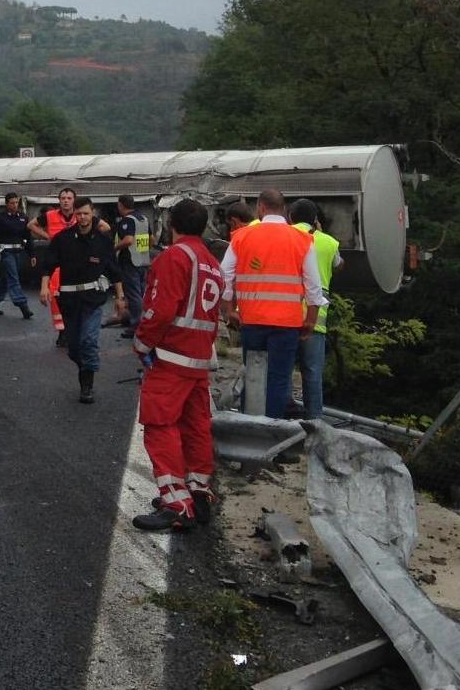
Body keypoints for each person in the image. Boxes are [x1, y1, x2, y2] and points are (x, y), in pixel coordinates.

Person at [130, 198, 223, 532]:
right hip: (199, 360)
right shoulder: (212, 262)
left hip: (171, 357)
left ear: (172, 225)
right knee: (196, 425)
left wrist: (142, 343)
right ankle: (198, 492)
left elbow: (161, 309)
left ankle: (175, 503)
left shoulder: (174, 257)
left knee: (160, 424)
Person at [220, 189, 325, 420]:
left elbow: (225, 274)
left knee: (253, 374)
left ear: (260, 208)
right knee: (279, 379)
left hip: (252, 321)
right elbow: (313, 285)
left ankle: (247, 429)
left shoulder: (242, 236)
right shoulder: (302, 239)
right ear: (285, 210)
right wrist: (311, 319)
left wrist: (229, 310)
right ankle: (272, 436)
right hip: (287, 324)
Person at [39, 196, 124, 403]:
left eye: (86, 213)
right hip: (69, 300)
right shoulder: (63, 239)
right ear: (74, 216)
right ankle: (85, 366)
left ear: (93, 213)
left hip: (93, 300)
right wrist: (44, 287)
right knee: (74, 348)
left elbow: (114, 270)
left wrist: (120, 296)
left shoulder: (103, 241)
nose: (83, 218)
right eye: (79, 214)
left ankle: (87, 386)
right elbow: (48, 264)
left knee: (88, 341)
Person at [30, 186, 111, 347]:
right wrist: (48, 237)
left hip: (77, 261)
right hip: (57, 261)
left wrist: (91, 239)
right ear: (59, 201)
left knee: (79, 295)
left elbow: (106, 227)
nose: (66, 201)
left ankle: (76, 329)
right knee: (57, 297)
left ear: (74, 200)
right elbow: (31, 225)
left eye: (69, 198)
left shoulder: (81, 215)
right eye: (63, 198)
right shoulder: (50, 215)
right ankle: (63, 331)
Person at [288, 198, 342, 421]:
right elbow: (339, 265)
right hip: (316, 320)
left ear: (290, 218)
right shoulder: (329, 243)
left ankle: (282, 418)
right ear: (316, 220)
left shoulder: (287, 236)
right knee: (312, 374)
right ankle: (315, 422)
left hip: (287, 316)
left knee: (282, 371)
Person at [0, 193, 35, 319]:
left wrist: (32, 254)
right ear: (6, 204)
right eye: (12, 203)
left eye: (16, 202)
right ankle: (23, 305)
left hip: (18, 252)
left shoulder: (23, 218)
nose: (14, 205)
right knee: (13, 279)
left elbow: (28, 237)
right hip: (5, 252)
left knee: (7, 278)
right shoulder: (0, 218)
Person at [112, 194, 151, 338]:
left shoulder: (127, 221)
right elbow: (151, 239)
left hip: (130, 261)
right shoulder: (143, 219)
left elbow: (128, 240)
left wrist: (115, 248)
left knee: (134, 295)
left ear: (121, 205)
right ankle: (143, 322)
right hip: (143, 260)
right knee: (141, 293)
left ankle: (136, 326)